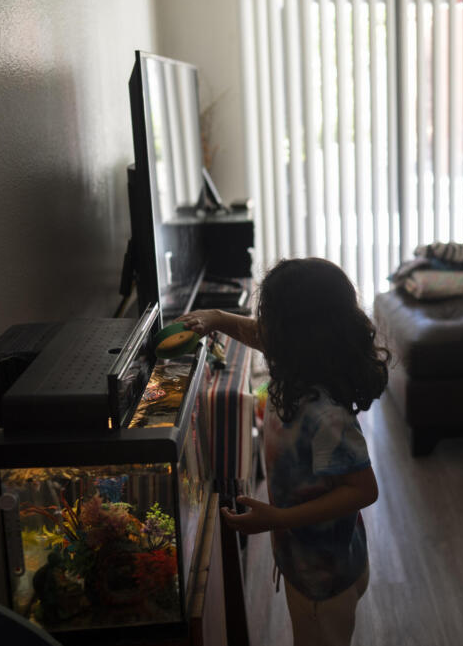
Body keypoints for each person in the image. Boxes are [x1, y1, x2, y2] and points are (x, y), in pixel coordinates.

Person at [177, 258, 387, 646]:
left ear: (295, 335)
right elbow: (259, 335)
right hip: (312, 563)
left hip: (323, 581)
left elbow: (363, 491)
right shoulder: (298, 366)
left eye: (271, 319)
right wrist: (217, 317)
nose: (264, 330)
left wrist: (278, 518)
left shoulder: (324, 415)